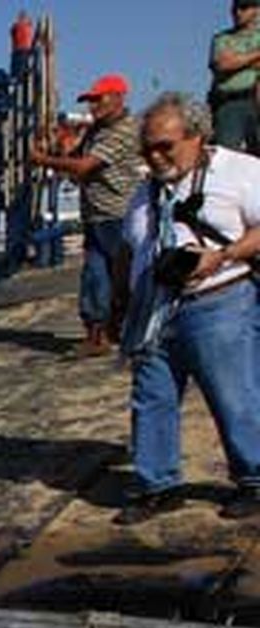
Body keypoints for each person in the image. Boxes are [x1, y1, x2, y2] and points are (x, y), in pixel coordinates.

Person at [116, 92, 260, 524]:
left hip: (218, 300)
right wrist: (119, 304)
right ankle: (156, 483)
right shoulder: (146, 191)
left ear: (196, 137)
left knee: (234, 395)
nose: (156, 156)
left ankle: (254, 480)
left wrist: (223, 255)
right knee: (151, 396)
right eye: (148, 148)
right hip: (154, 309)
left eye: (165, 145)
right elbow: (130, 246)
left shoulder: (240, 171)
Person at [32, 74, 141, 354]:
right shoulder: (96, 131)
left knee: (123, 277)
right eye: (91, 101)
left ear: (118, 97)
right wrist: (57, 146)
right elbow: (74, 157)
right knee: (94, 276)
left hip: (119, 215)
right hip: (95, 216)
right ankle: (97, 335)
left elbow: (83, 167)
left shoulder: (125, 130)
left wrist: (42, 160)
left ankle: (128, 330)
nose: (93, 106)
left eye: (98, 99)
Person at [210, 0, 260, 154]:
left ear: (256, 9)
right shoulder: (222, 38)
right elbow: (222, 64)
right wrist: (256, 55)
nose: (238, 12)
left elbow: (231, 62)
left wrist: (238, 60)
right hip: (229, 103)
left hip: (256, 100)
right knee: (226, 154)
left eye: (244, 7)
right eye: (235, 9)